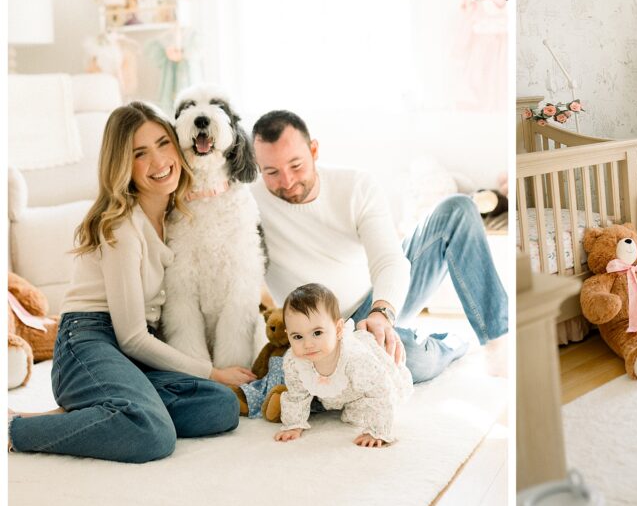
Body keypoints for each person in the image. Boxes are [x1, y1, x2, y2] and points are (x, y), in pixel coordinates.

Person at [8, 103, 251, 462]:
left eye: (164, 143)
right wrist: (213, 371)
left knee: (220, 405)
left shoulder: (175, 216)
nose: (159, 161)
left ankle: (107, 409)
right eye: (140, 153)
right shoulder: (122, 226)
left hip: (134, 353)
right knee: (152, 433)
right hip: (88, 342)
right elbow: (132, 337)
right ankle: (14, 429)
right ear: (123, 164)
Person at [250, 110, 507, 384]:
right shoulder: (248, 204)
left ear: (313, 150)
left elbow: (389, 260)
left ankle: (498, 342)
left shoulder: (355, 185)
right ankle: (451, 344)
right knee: (407, 359)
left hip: (374, 301)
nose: (287, 181)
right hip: (319, 332)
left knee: (458, 209)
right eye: (272, 172)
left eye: (296, 166)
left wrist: (381, 312)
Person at [274, 283, 412, 447]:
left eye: (317, 333)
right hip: (344, 393)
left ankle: (430, 343)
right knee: (343, 412)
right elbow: (297, 394)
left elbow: (380, 391)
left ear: (338, 329)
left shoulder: (356, 359)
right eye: (297, 336)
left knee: (357, 416)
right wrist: (293, 424)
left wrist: (377, 431)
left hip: (375, 383)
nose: (308, 344)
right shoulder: (295, 362)